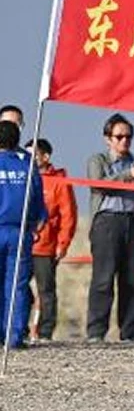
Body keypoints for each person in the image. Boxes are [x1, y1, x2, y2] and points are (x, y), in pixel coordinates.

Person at [85, 113, 134, 343]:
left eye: (128, 137)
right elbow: (99, 184)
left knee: (131, 279)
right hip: (107, 221)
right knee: (103, 278)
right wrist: (128, 176)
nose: (125, 141)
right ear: (108, 138)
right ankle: (96, 331)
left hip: (133, 222)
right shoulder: (98, 160)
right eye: (119, 136)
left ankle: (129, 329)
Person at [25, 139, 77, 343]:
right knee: (18, 287)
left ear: (45, 157)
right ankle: (19, 327)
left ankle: (46, 332)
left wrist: (63, 244)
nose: (30, 159)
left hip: (46, 247)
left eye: (34, 155)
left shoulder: (58, 182)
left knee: (46, 290)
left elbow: (68, 215)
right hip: (22, 245)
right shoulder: (24, 178)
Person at [0, 121, 46, 350]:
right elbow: (38, 200)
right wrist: (38, 223)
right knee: (17, 285)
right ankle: (14, 337)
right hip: (20, 232)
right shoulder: (27, 165)